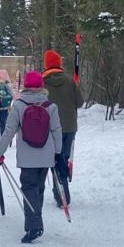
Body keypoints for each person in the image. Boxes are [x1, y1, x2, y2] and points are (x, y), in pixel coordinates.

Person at [0, 71, 62, 243]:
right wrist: (58, 153)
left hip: (27, 156)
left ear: (26, 86)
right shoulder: (50, 106)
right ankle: (36, 220)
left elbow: (9, 132)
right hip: (46, 156)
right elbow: (56, 130)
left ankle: (34, 225)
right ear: (41, 87)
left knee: (29, 188)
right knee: (38, 188)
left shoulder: (19, 105)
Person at [42, 49, 84, 207]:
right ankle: (61, 192)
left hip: (50, 127)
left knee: (54, 159)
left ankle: (60, 193)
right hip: (69, 126)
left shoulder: (41, 82)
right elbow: (79, 102)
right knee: (63, 158)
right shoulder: (69, 80)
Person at [0, 68, 13, 140]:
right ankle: (3, 138)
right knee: (3, 122)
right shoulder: (8, 85)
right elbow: (11, 95)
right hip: (5, 106)